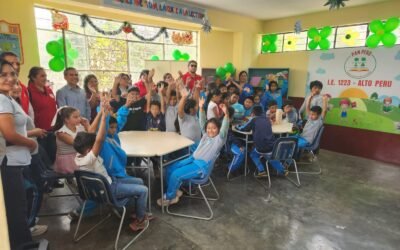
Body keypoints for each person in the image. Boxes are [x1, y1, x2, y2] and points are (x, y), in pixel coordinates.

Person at [73, 105, 150, 231]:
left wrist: (94, 121)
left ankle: (138, 212)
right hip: (109, 190)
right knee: (144, 189)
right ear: (89, 149)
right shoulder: (90, 158)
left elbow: (94, 136)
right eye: (94, 145)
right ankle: (140, 220)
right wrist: (104, 117)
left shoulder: (79, 157)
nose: (97, 145)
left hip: (108, 183)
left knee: (140, 181)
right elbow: (99, 139)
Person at [157, 98, 229, 206]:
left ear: (219, 130)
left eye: (214, 128)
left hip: (200, 166)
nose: (210, 130)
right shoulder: (205, 135)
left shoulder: (219, 139)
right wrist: (201, 108)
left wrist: (226, 115)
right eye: (209, 128)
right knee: (170, 168)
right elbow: (202, 122)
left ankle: (169, 197)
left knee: (176, 175)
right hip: (192, 159)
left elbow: (224, 128)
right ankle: (174, 191)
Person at [0, 60, 38, 249]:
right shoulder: (1, 100)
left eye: (12, 73)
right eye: (3, 75)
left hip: (15, 161)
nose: (10, 78)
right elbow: (9, 134)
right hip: (9, 162)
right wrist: (31, 142)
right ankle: (23, 245)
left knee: (19, 206)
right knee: (16, 210)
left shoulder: (6, 98)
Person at [10, 82, 48, 236]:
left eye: (15, 81)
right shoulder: (5, 106)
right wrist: (32, 136)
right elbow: (9, 135)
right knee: (34, 189)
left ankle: (30, 219)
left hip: (29, 153)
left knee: (35, 188)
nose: (16, 86)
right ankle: (29, 225)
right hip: (21, 155)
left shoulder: (14, 103)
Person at [52, 106, 101, 174]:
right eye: (75, 117)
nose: (79, 119)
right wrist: (87, 127)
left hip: (78, 156)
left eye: (79, 116)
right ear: (66, 119)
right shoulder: (61, 133)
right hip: (68, 160)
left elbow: (92, 137)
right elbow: (81, 144)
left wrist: (87, 125)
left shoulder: (79, 127)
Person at [235, 106, 280, 177]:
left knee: (253, 154)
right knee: (270, 156)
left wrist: (237, 126)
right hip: (272, 146)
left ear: (253, 113)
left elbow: (243, 129)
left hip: (261, 147)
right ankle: (282, 170)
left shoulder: (254, 119)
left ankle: (261, 171)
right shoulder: (267, 119)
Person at [0, 52, 32, 117]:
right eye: (11, 64)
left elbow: (29, 112)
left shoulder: (23, 87)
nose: (16, 67)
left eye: (18, 64)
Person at [27, 67, 57, 131]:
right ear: (33, 77)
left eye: (45, 76)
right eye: (42, 76)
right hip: (39, 131)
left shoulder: (49, 90)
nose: (45, 78)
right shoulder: (28, 92)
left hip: (53, 128)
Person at [177, 80, 201, 151]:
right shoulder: (183, 117)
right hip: (186, 147)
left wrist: (197, 89)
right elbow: (180, 109)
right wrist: (184, 97)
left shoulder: (195, 115)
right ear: (189, 109)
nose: (196, 109)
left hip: (197, 145)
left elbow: (196, 101)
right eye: (193, 108)